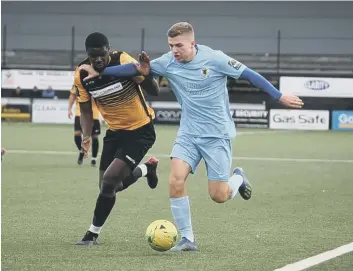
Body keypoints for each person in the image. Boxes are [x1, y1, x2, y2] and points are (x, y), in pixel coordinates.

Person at [80, 23, 304, 251]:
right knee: (175, 180)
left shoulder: (215, 59)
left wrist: (279, 96)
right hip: (188, 133)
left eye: (179, 45)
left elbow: (250, 75)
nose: (174, 50)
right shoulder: (168, 61)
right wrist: (102, 71)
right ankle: (188, 239)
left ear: (192, 43)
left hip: (216, 136)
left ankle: (237, 179)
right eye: (171, 45)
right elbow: (136, 70)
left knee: (219, 195)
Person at [74, 32, 161, 245]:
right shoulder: (82, 74)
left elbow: (154, 90)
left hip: (141, 131)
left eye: (101, 54)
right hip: (114, 133)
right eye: (93, 56)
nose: (98, 60)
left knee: (110, 180)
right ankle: (145, 169)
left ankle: (91, 235)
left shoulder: (123, 60)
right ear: (87, 54)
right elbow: (85, 110)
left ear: (108, 50)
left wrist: (145, 74)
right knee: (110, 187)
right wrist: (86, 136)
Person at [68, 84, 101, 166]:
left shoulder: (97, 81)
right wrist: (69, 109)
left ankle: (94, 158)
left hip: (94, 114)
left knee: (94, 137)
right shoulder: (77, 82)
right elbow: (72, 95)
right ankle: (82, 151)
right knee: (77, 134)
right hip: (80, 113)